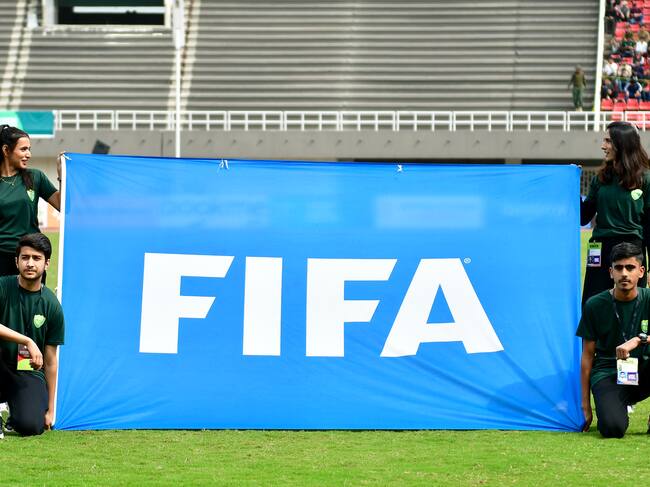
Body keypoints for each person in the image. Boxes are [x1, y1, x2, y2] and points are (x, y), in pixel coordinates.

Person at [577, 242, 650, 438]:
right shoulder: (595, 305)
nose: (624, 273)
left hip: (644, 371)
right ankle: (615, 407)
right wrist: (585, 406)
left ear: (641, 271)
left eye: (630, 267)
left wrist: (640, 339)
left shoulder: (649, 298)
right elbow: (587, 357)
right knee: (612, 428)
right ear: (611, 272)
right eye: (619, 268)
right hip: (608, 373)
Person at [0, 233, 64, 436]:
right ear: (16, 261)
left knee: (31, 426)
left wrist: (51, 410)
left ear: (46, 264)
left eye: (36, 258)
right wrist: (26, 340)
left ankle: (13, 410)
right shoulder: (2, 286)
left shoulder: (52, 305)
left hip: (27, 371)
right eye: (25, 257)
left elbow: (51, 362)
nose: (30, 263)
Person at [580, 121, 650, 306]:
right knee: (592, 303)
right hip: (599, 248)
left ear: (623, 143)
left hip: (632, 249)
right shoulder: (600, 178)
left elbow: (649, 225)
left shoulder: (645, 179)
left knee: (633, 306)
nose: (603, 146)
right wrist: (569, 185)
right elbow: (583, 217)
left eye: (608, 141)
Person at [0, 125, 61, 276]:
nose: (28, 154)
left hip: (31, 257)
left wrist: (62, 175)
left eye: (29, 149)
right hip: (2, 258)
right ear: (6, 150)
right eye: (23, 149)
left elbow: (62, 205)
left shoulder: (36, 177)